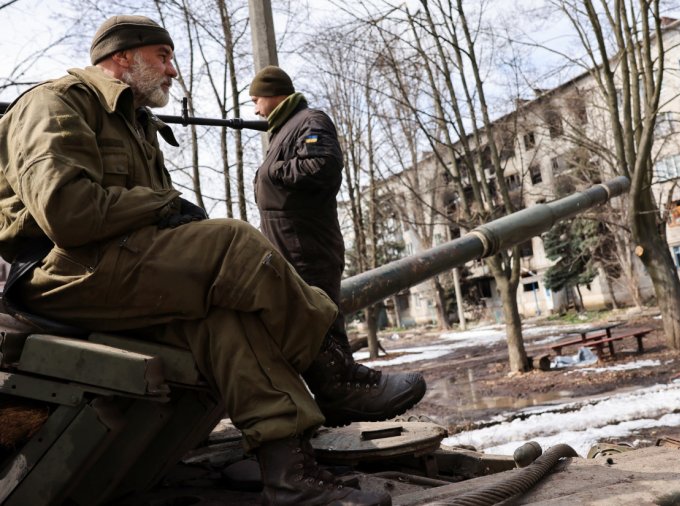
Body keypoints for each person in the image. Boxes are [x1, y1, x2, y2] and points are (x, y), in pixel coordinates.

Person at [0, 15, 405, 506]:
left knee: (225, 320)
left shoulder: (134, 122)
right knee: (232, 240)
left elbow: (136, 219)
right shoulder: (55, 103)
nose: (173, 71)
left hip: (111, 270)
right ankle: (333, 375)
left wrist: (167, 214)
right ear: (121, 57)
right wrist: (166, 206)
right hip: (56, 274)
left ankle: (291, 477)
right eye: (163, 57)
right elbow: (68, 214)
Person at [249, 67, 425, 428]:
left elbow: (323, 166)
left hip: (307, 243)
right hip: (289, 244)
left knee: (322, 314)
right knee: (305, 317)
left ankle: (345, 390)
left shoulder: (309, 120)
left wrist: (273, 172)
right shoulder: (285, 130)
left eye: (256, 99)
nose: (254, 110)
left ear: (274, 93)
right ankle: (334, 394)